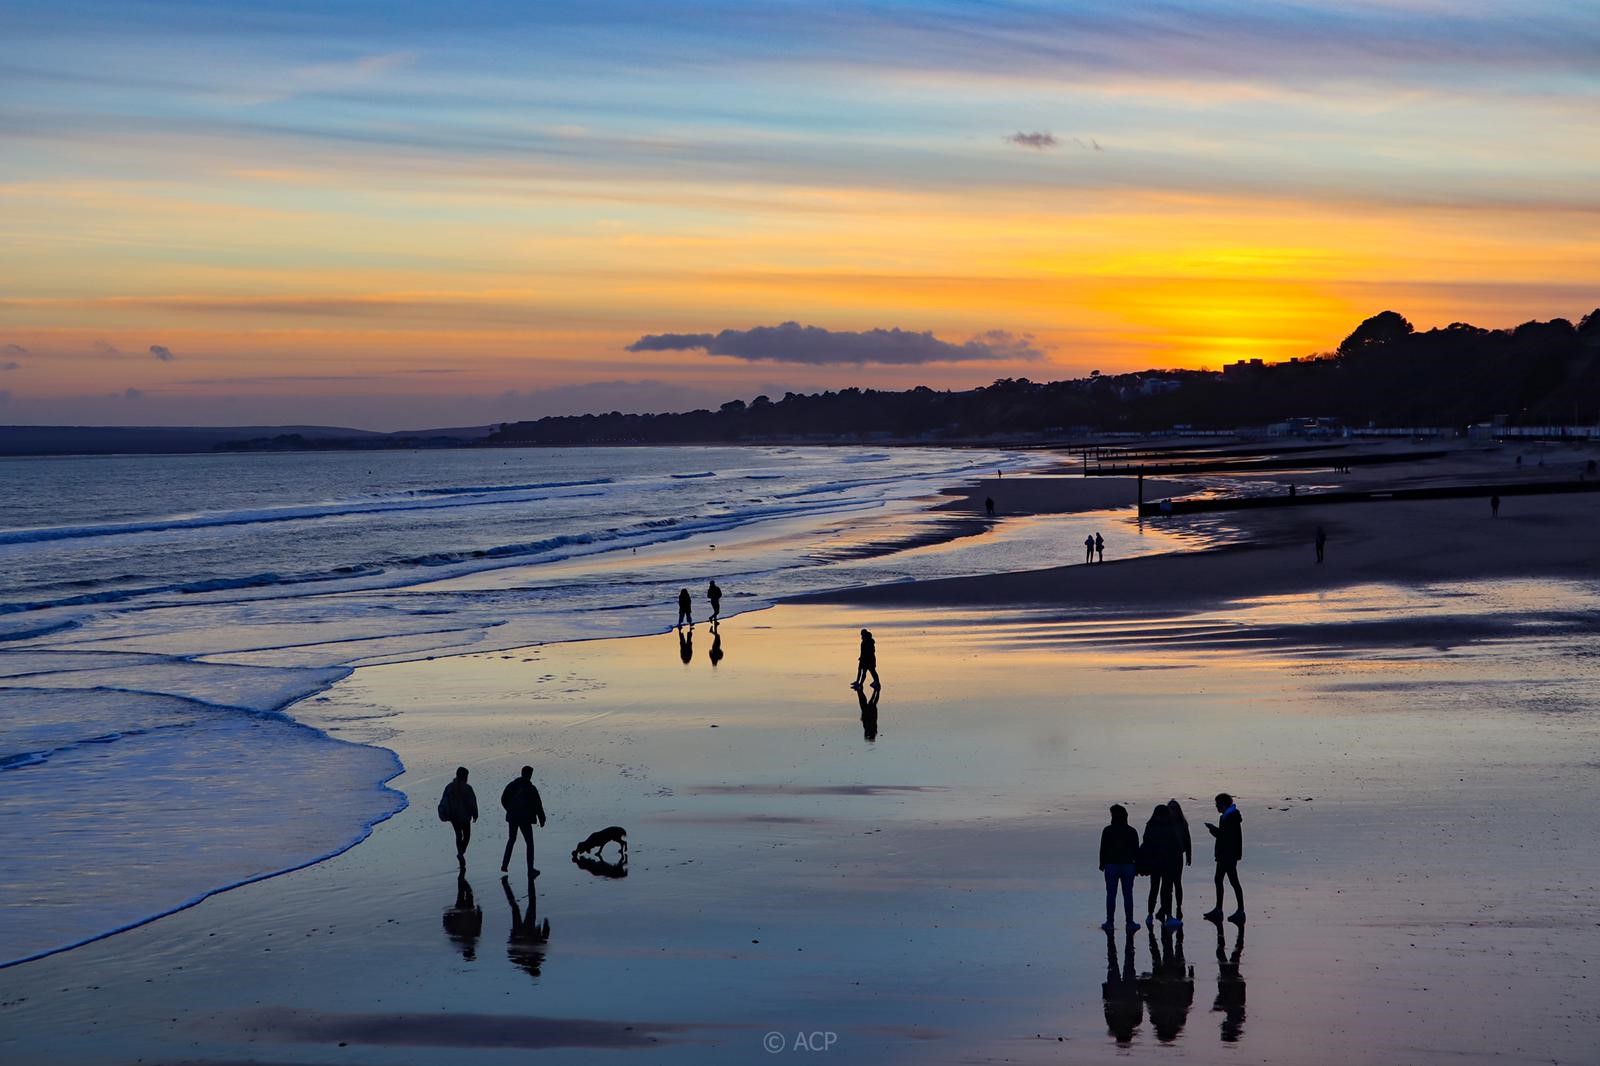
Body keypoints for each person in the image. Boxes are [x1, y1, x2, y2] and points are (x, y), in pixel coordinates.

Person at [1202, 793, 1244, 924]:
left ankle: (1237, 911)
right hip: (1226, 855)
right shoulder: (1227, 817)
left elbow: (1226, 837)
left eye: (1217, 804)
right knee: (1224, 880)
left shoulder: (1230, 817)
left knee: (1231, 881)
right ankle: (1222, 910)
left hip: (1228, 855)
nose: (1216, 806)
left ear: (1223, 803)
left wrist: (1213, 829)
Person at [1099, 804, 1141, 932]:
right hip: (1128, 865)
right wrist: (1138, 866)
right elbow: (1136, 851)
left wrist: (1102, 864)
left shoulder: (1107, 830)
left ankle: (1110, 922)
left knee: (1111, 894)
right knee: (1128, 894)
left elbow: (1103, 849)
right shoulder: (1132, 831)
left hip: (1111, 865)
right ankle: (1129, 922)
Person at [500, 766, 547, 875]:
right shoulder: (531, 788)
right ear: (530, 775)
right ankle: (530, 869)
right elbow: (538, 805)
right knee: (529, 843)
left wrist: (509, 810)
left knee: (511, 839)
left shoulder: (512, 785)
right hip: (525, 818)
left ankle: (504, 865)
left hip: (512, 817)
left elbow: (503, 799)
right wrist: (542, 818)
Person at [1140, 804, 1179, 928]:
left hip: (1154, 863)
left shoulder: (1150, 826)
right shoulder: (1170, 826)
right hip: (1168, 863)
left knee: (1154, 889)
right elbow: (1176, 846)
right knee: (1167, 890)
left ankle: (1150, 915)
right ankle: (1168, 915)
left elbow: (1146, 842)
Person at [438, 766, 478, 865]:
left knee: (458, 835)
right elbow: (472, 802)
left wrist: (444, 813)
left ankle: (460, 852)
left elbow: (443, 801)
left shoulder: (449, 787)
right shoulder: (467, 788)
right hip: (464, 816)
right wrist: (475, 814)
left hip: (453, 816)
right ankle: (461, 852)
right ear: (465, 776)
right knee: (467, 835)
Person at [442, 872, 483, 961]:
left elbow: (478, 924)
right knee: (464, 893)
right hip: (465, 913)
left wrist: (479, 912)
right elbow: (478, 925)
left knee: (467, 893)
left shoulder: (465, 941)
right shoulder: (462, 941)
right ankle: (461, 877)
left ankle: (461, 877)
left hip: (465, 913)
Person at [1165, 799, 1192, 923]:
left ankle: (1179, 907)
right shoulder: (1164, 823)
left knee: (1177, 883)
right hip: (1167, 856)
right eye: (1170, 808)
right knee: (1168, 885)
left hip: (1178, 856)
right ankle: (1167, 910)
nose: (1172, 811)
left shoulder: (1183, 823)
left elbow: (1188, 840)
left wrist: (1189, 855)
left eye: (1174, 808)